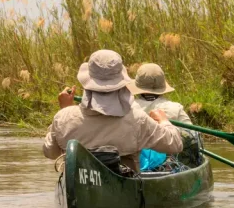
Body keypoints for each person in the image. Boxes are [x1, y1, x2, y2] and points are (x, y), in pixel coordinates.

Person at [42, 50, 183, 173]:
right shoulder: (137, 119)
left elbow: (50, 152)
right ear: (121, 84)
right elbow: (175, 144)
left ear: (87, 83)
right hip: (126, 189)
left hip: (81, 191)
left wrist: (65, 109)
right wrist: (164, 121)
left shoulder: (63, 117)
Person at [128, 63, 192, 171]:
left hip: (135, 161)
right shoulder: (175, 108)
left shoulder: (128, 107)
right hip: (168, 161)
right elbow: (191, 136)